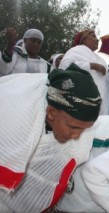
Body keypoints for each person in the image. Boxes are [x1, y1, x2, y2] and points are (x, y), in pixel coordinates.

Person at [0, 64, 101, 212]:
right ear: (51, 112)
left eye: (84, 129)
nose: (77, 136)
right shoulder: (13, 117)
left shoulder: (59, 107)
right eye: (74, 127)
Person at [59, 29, 109, 115]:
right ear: (83, 39)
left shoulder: (101, 59)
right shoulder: (76, 50)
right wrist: (91, 65)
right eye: (93, 36)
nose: (97, 40)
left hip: (104, 103)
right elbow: (65, 66)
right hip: (83, 100)